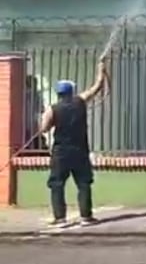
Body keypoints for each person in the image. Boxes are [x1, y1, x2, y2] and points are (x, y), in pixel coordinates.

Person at [39, 58, 109, 227]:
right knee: (84, 183)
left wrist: (47, 122)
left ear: (59, 93)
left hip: (61, 152)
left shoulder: (52, 109)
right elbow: (97, 86)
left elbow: (44, 129)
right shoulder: (80, 101)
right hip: (80, 151)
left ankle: (60, 218)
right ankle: (86, 217)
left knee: (57, 184)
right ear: (71, 91)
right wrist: (102, 69)